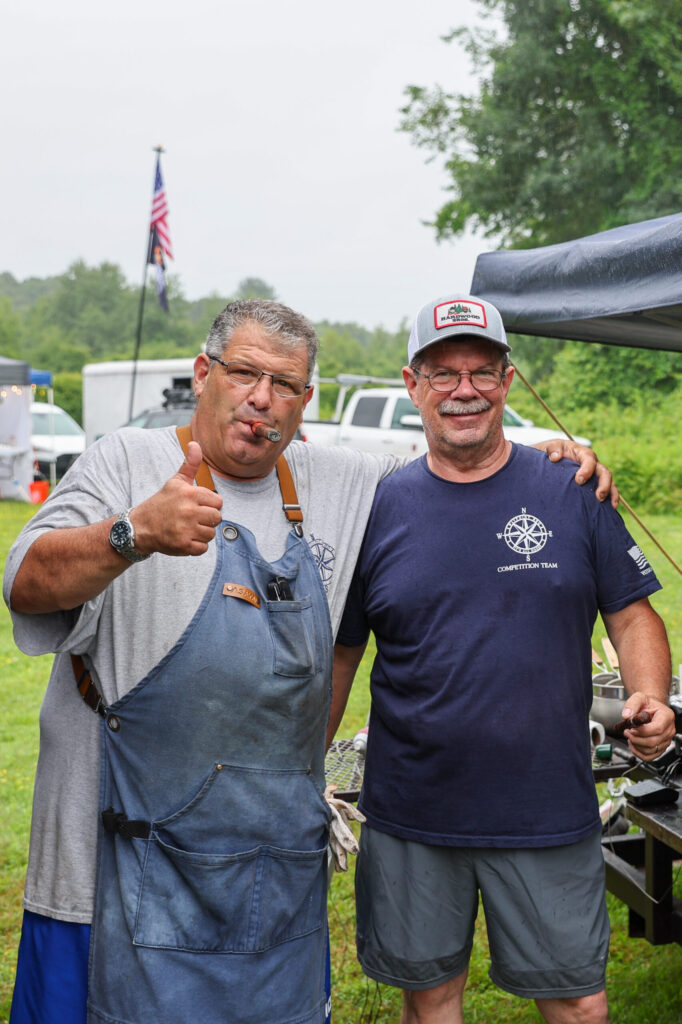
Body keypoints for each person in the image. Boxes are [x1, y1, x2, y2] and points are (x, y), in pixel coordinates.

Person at [5, 299, 611, 1024]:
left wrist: (554, 461)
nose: (263, 398)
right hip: (109, 874)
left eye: (285, 384)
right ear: (203, 375)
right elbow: (26, 583)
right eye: (245, 374)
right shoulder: (126, 462)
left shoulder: (344, 483)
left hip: (265, 881)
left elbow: (463, 458)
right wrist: (131, 533)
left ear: (306, 401)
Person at [330, 294, 676, 1024]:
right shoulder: (378, 506)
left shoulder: (572, 488)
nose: (465, 390)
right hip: (413, 811)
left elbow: (632, 612)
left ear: (508, 382)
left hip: (547, 806)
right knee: (431, 1002)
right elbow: (345, 651)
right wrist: (306, 767)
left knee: (579, 1002)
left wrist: (652, 695)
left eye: (482, 372)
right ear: (412, 383)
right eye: (444, 373)